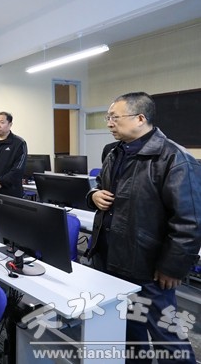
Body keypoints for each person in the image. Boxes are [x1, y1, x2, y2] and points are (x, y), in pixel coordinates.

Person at [86, 92, 201, 363]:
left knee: (166, 336)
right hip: (111, 257)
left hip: (148, 266)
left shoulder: (174, 158)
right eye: (108, 117)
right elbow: (101, 188)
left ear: (140, 118)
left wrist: (173, 267)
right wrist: (93, 196)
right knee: (128, 329)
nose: (109, 123)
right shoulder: (114, 152)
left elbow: (189, 221)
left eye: (115, 117)